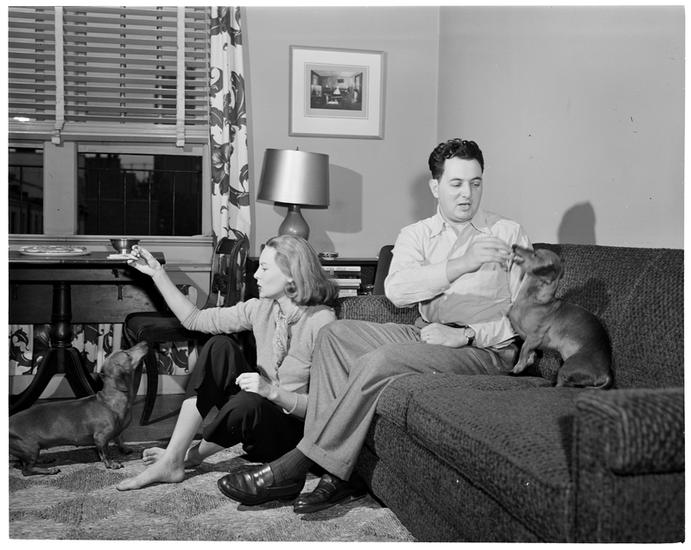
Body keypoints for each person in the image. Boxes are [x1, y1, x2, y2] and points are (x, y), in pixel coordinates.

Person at [216, 138, 532, 513]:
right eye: (456, 183)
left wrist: (467, 333)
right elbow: (397, 291)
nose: (467, 193)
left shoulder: (508, 233)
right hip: (427, 332)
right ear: (435, 186)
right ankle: (338, 472)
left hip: (485, 348)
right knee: (334, 334)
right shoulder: (417, 235)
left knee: (380, 360)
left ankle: (298, 465)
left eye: (475, 183)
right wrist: (461, 264)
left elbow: (528, 313)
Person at [116, 235, 338, 491]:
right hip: (257, 420)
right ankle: (174, 457)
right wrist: (157, 273)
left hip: (292, 440)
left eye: (265, 268)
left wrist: (272, 392)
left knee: (251, 400)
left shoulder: (322, 321)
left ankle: (185, 458)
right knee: (219, 347)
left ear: (291, 274)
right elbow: (194, 320)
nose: (256, 275)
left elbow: (327, 409)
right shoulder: (262, 308)